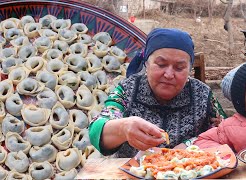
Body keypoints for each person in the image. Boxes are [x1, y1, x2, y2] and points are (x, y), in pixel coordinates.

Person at [89, 28, 227, 158]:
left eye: (179, 68)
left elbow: (228, 132)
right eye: (161, 65)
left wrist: (191, 144)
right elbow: (97, 129)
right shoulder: (128, 89)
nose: (168, 74)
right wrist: (124, 128)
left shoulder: (202, 94)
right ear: (147, 64)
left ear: (190, 70)